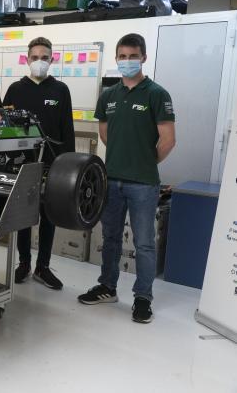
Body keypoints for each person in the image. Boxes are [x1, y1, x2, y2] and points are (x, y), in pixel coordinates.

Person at [78, 33, 176, 324]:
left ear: (143, 57)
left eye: (133, 56)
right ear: (117, 58)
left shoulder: (157, 94)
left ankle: (143, 297)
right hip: (112, 180)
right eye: (122, 56)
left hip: (144, 183)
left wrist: (145, 162)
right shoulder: (108, 96)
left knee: (144, 242)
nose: (128, 61)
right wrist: (122, 158)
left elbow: (168, 140)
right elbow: (105, 133)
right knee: (110, 237)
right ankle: (108, 286)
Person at [3, 37, 75, 290]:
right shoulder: (15, 89)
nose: (39, 62)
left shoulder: (60, 90)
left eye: (44, 58)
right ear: (27, 59)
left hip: (53, 165)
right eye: (35, 57)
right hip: (23, 165)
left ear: (52, 59)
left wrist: (69, 168)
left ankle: (43, 267)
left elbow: (68, 129)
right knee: (23, 216)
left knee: (48, 215)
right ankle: (23, 263)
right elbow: (4, 128)